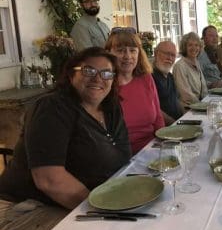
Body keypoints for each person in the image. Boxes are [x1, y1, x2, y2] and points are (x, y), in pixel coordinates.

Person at [0, 47, 131, 208]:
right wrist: (100, 209)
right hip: (32, 207)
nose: (98, 78)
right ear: (71, 74)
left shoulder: (110, 107)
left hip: (96, 199)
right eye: (88, 71)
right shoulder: (52, 107)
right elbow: (49, 180)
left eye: (106, 73)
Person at [105, 28, 164, 155]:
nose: (128, 56)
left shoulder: (146, 78)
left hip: (152, 150)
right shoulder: (104, 85)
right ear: (108, 53)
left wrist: (163, 146)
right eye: (120, 51)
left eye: (133, 50)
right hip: (120, 157)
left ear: (139, 54)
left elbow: (158, 117)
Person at [152, 41, 184, 125]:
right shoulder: (150, 77)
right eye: (166, 53)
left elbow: (176, 101)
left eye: (173, 55)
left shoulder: (170, 76)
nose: (169, 58)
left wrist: (186, 117)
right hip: (164, 128)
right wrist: (175, 124)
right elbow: (154, 109)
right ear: (155, 53)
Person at [173, 32, 208, 108]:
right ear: (184, 47)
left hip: (200, 106)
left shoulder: (196, 63)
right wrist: (203, 105)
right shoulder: (180, 66)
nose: (194, 48)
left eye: (196, 45)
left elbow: (203, 88)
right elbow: (186, 94)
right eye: (190, 45)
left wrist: (207, 102)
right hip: (188, 109)